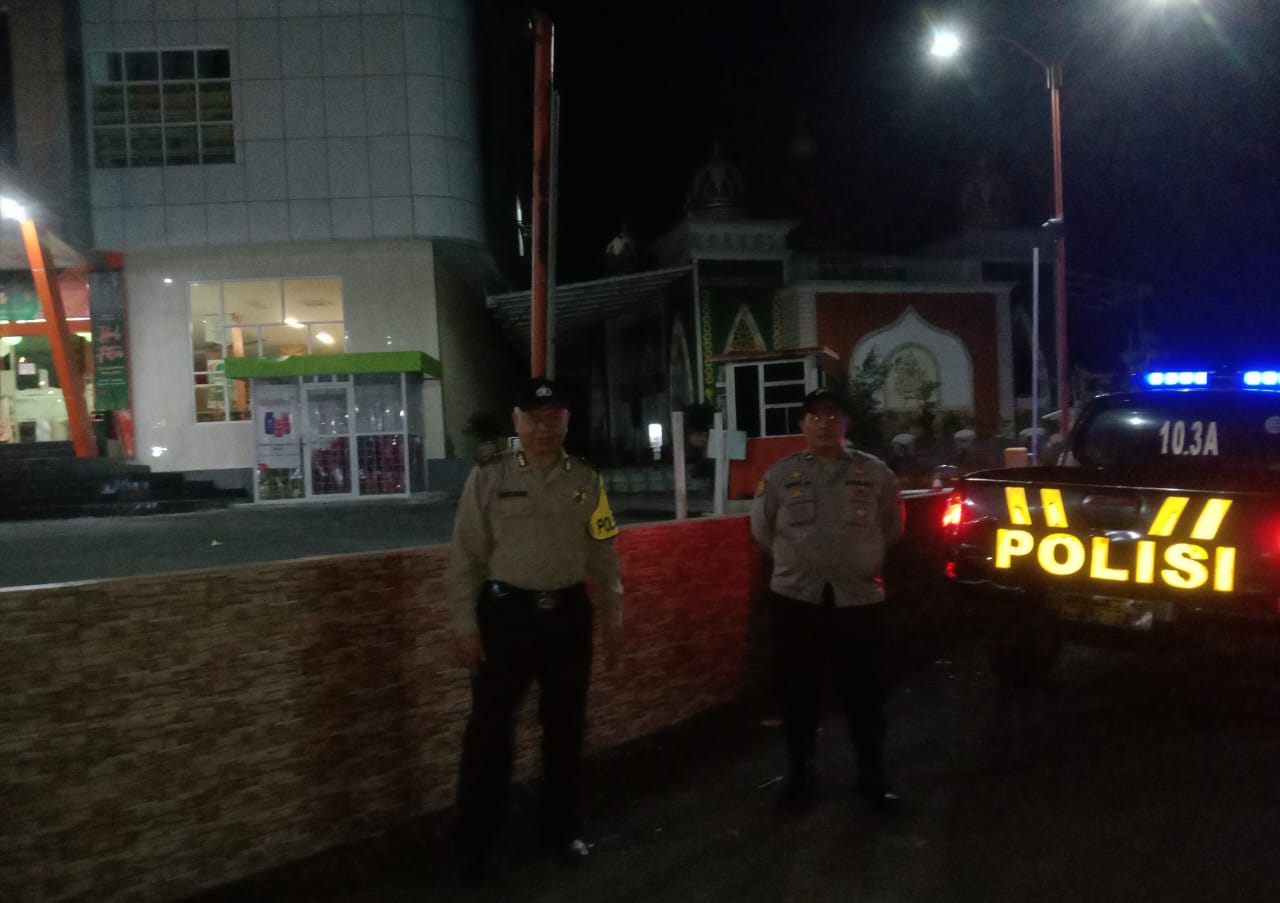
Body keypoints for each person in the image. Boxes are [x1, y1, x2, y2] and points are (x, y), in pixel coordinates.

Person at [445, 377, 624, 879]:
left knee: (566, 728)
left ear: (567, 421)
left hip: (568, 616)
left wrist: (613, 614)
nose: (543, 427)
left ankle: (560, 829)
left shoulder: (587, 479)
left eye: (553, 417)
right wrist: (464, 623)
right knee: (488, 731)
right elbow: (465, 557)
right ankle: (476, 842)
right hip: (506, 618)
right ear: (517, 421)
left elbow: (603, 551)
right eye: (533, 417)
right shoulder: (489, 475)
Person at [751, 387, 905, 814]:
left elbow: (892, 528)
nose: (824, 424)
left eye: (833, 416)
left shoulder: (875, 473)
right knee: (798, 690)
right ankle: (800, 775)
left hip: (859, 598)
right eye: (815, 417)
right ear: (802, 425)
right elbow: (762, 530)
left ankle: (871, 775)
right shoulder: (780, 475)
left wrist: (855, 561)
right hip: (797, 599)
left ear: (845, 424)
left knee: (865, 691)